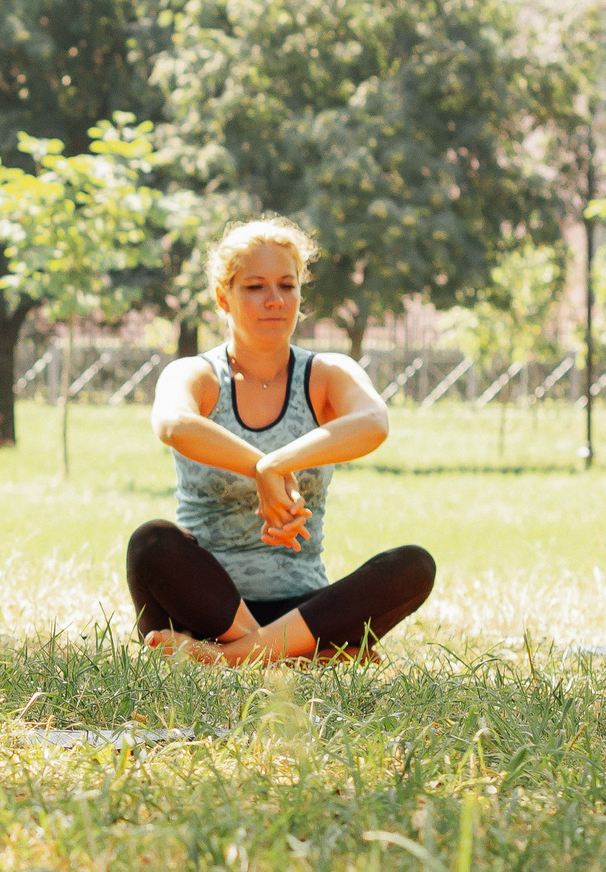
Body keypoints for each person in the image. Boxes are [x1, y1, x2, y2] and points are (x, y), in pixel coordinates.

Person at [124, 218, 437, 664]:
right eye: (255, 287)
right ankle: (297, 656)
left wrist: (277, 465)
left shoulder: (325, 374)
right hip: (204, 605)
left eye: (287, 285)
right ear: (223, 297)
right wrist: (257, 466)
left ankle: (227, 658)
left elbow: (374, 421)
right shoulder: (196, 374)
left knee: (414, 566)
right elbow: (173, 423)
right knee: (152, 542)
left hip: (302, 610)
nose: (274, 300)